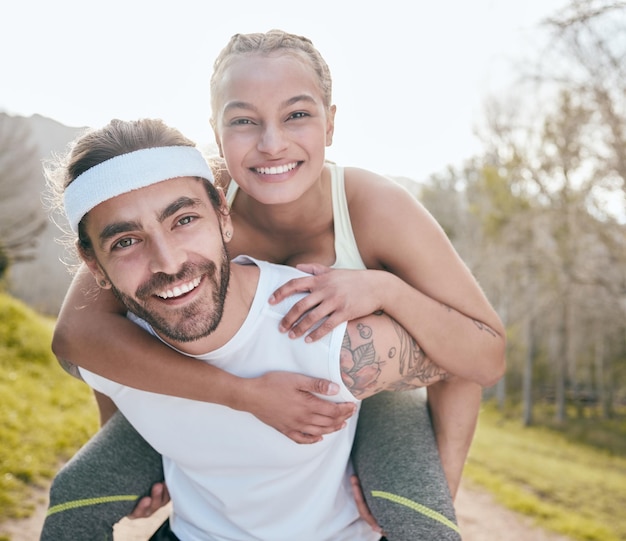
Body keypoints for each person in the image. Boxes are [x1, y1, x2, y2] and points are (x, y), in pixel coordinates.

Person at [42, 30, 506, 541]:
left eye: (297, 115)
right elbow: (79, 338)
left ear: (331, 122)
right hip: (203, 380)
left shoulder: (374, 208)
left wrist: (384, 290)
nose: (272, 143)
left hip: (366, 389)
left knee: (419, 522)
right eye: (243, 121)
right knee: (76, 495)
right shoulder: (185, 200)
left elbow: (479, 356)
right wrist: (234, 398)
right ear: (216, 133)